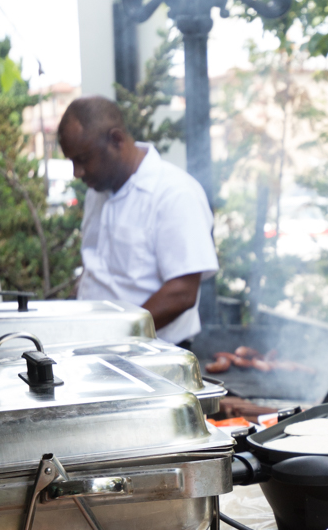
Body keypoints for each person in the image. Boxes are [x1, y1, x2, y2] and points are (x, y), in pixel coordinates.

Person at [58, 96, 218, 346]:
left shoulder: (175, 193)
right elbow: (97, 270)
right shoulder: (97, 192)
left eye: (84, 158)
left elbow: (182, 292)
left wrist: (116, 335)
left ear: (116, 140)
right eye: (72, 161)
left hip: (153, 355)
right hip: (95, 346)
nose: (77, 172)